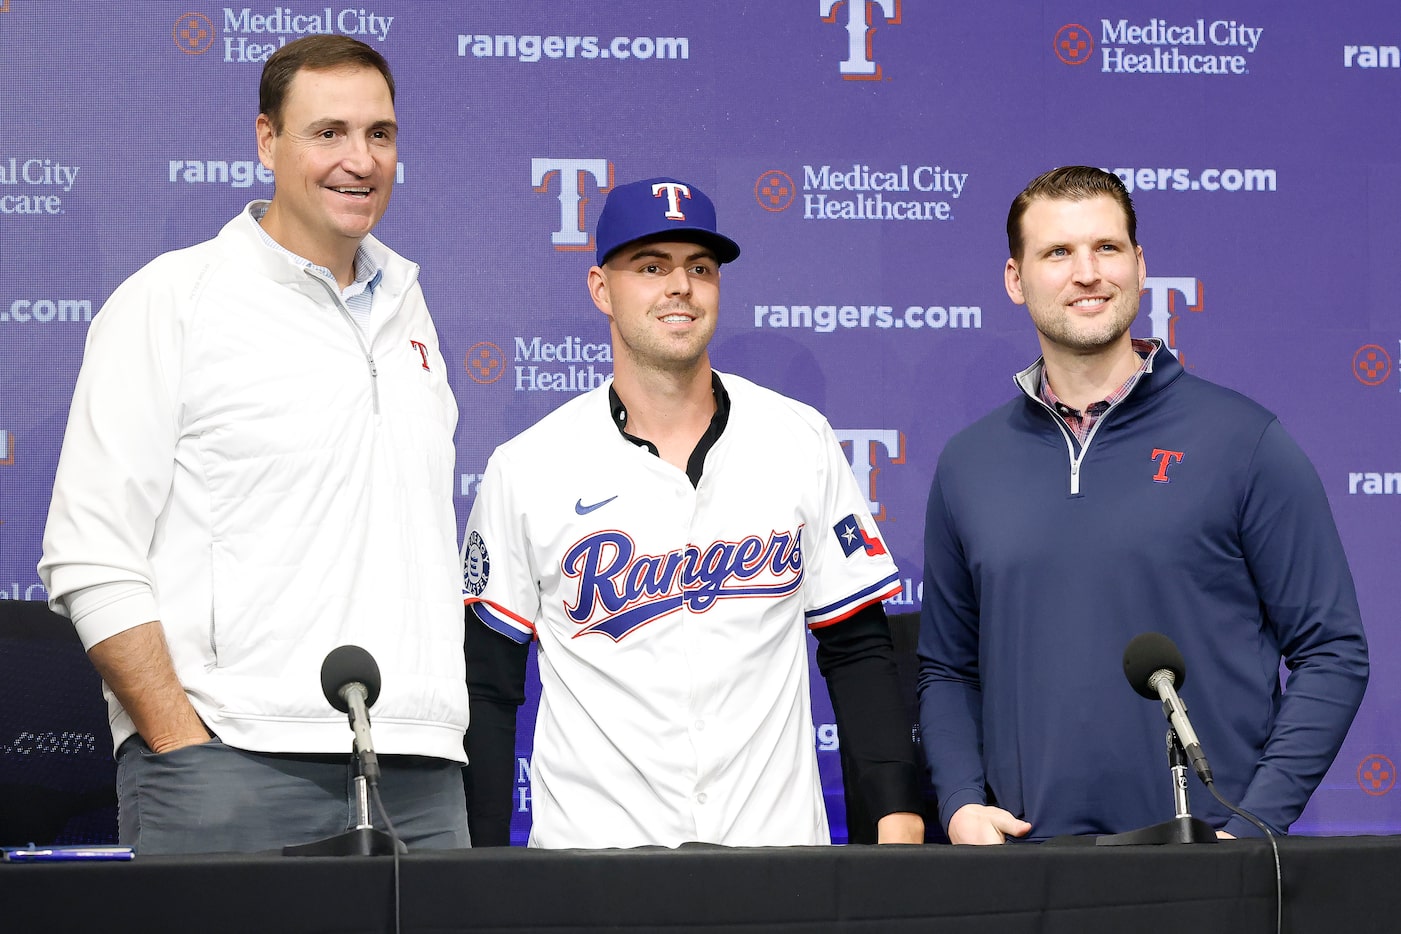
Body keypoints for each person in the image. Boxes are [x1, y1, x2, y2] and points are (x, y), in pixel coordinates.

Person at [38, 35, 469, 854]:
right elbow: (89, 553)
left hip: (419, 767)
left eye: (379, 134)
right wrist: (180, 742)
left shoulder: (409, 310)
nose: (360, 159)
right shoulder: (172, 299)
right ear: (267, 140)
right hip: (230, 767)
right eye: (328, 132)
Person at [462, 177, 925, 848]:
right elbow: (490, 684)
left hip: (774, 849)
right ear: (600, 289)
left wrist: (896, 813)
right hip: (594, 864)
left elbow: (854, 645)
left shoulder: (799, 438)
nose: (680, 285)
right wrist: (481, 865)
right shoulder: (527, 466)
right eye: (651, 266)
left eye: (699, 268)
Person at [917, 165, 1369, 844]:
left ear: (1139, 264)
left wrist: (1254, 822)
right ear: (1015, 279)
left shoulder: (1242, 441)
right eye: (1056, 253)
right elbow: (946, 668)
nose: (1086, 273)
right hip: (1027, 864)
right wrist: (958, 802)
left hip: (1204, 864)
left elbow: (1331, 650)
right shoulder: (967, 464)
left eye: (1106, 248)